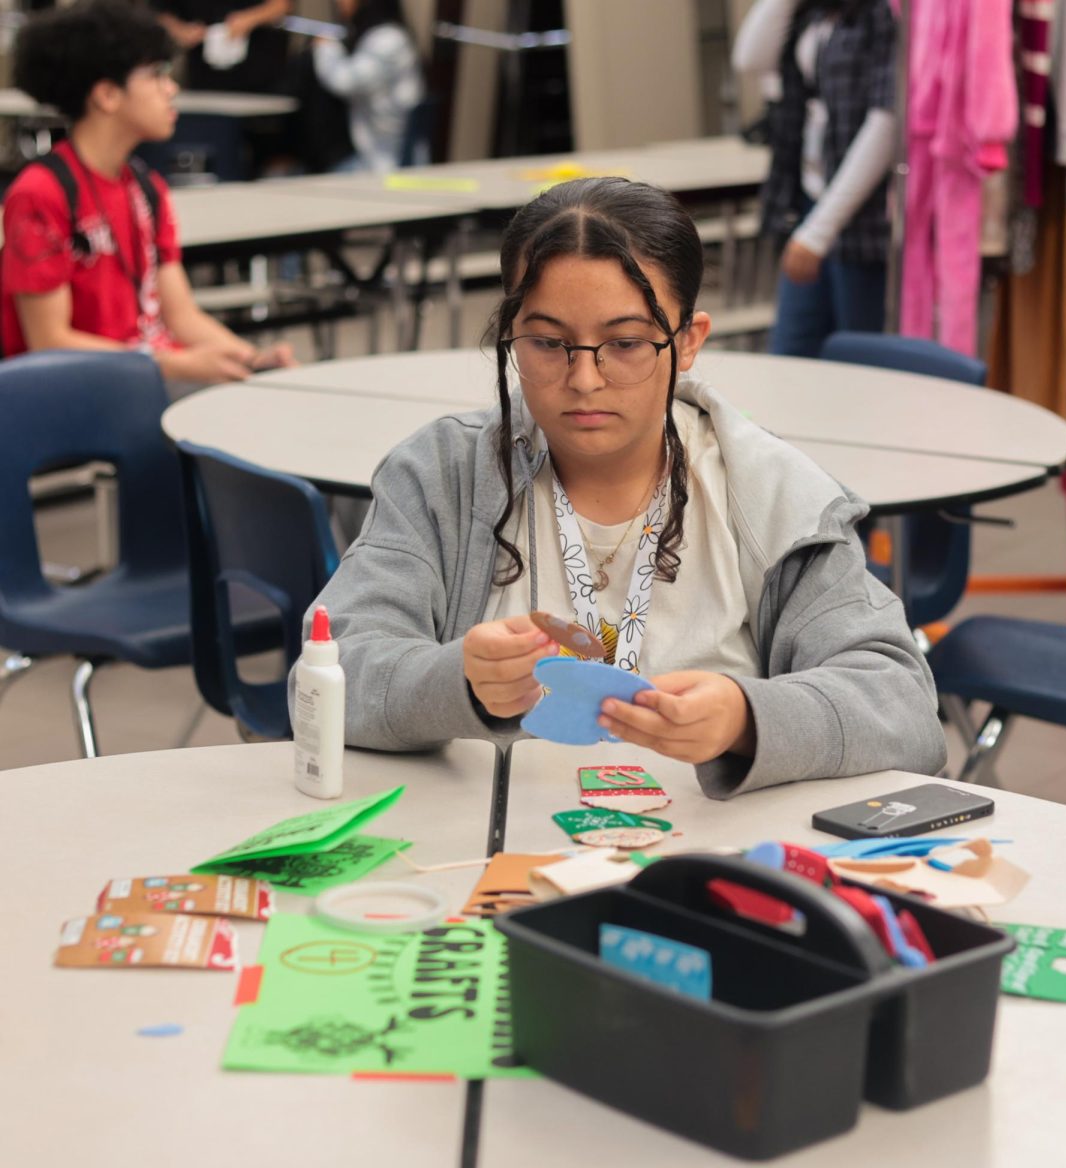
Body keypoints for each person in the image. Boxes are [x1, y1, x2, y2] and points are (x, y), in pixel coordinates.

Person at [297, 177, 945, 798]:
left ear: (688, 341)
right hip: (480, 851)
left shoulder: (772, 495)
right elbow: (329, 674)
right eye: (548, 342)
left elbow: (905, 708)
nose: (584, 379)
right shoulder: (441, 475)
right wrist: (461, 681)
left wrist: (749, 718)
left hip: (703, 859)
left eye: (626, 342)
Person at [2, 1, 294, 384]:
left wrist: (254, 362)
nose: (171, 88)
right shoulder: (42, 193)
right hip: (81, 404)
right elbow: (49, 341)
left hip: (147, 383)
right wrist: (173, 365)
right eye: (157, 74)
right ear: (107, 95)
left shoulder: (145, 187)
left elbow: (181, 317)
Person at [733, 0, 897, 357]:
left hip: (859, 215)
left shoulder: (882, 13)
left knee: (858, 359)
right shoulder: (816, 11)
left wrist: (820, 230)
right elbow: (749, 58)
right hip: (809, 198)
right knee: (793, 349)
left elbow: (886, 123)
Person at [312, 0, 424, 174]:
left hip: (384, 161)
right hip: (370, 154)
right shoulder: (374, 35)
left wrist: (325, 45)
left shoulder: (389, 39)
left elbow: (344, 81)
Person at [152, 0, 292, 96]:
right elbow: (158, 11)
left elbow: (282, 5)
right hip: (204, 74)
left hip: (261, 72)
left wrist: (250, 19)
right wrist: (180, 30)